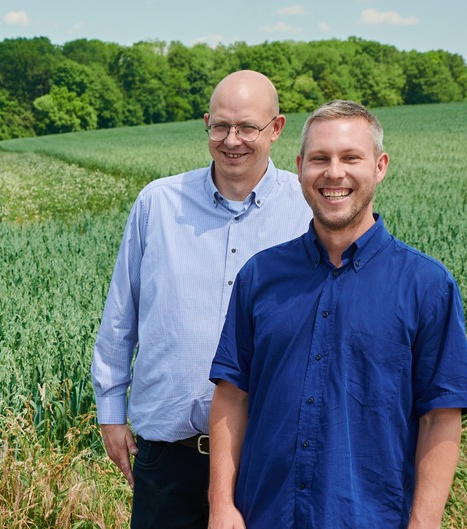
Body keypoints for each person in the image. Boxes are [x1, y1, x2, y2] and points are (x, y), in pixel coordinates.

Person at [208, 99, 467, 529]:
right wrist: (221, 506)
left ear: (380, 166)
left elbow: (440, 417)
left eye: (351, 157)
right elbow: (231, 395)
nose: (334, 173)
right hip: (265, 515)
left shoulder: (426, 285)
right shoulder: (259, 277)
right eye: (320, 159)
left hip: (371, 517)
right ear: (300, 168)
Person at [91, 70, 311, 528]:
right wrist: (110, 414)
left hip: (267, 455)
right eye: (221, 126)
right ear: (207, 124)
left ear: (276, 128)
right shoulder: (158, 203)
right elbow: (120, 318)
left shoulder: (306, 208)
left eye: (248, 127)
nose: (233, 140)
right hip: (169, 459)